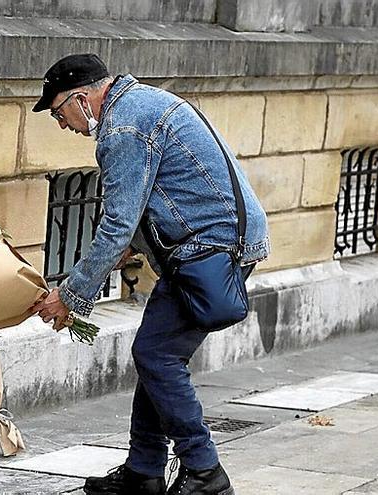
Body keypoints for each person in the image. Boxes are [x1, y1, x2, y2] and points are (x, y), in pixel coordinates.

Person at [30, 54, 269, 495]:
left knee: (157, 356)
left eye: (59, 111)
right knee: (155, 354)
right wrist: (126, 251)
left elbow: (118, 221)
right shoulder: (144, 103)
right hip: (217, 241)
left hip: (208, 248)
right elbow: (159, 195)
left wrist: (71, 294)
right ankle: (143, 472)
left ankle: (204, 470)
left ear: (82, 99)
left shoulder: (122, 127)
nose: (61, 123)